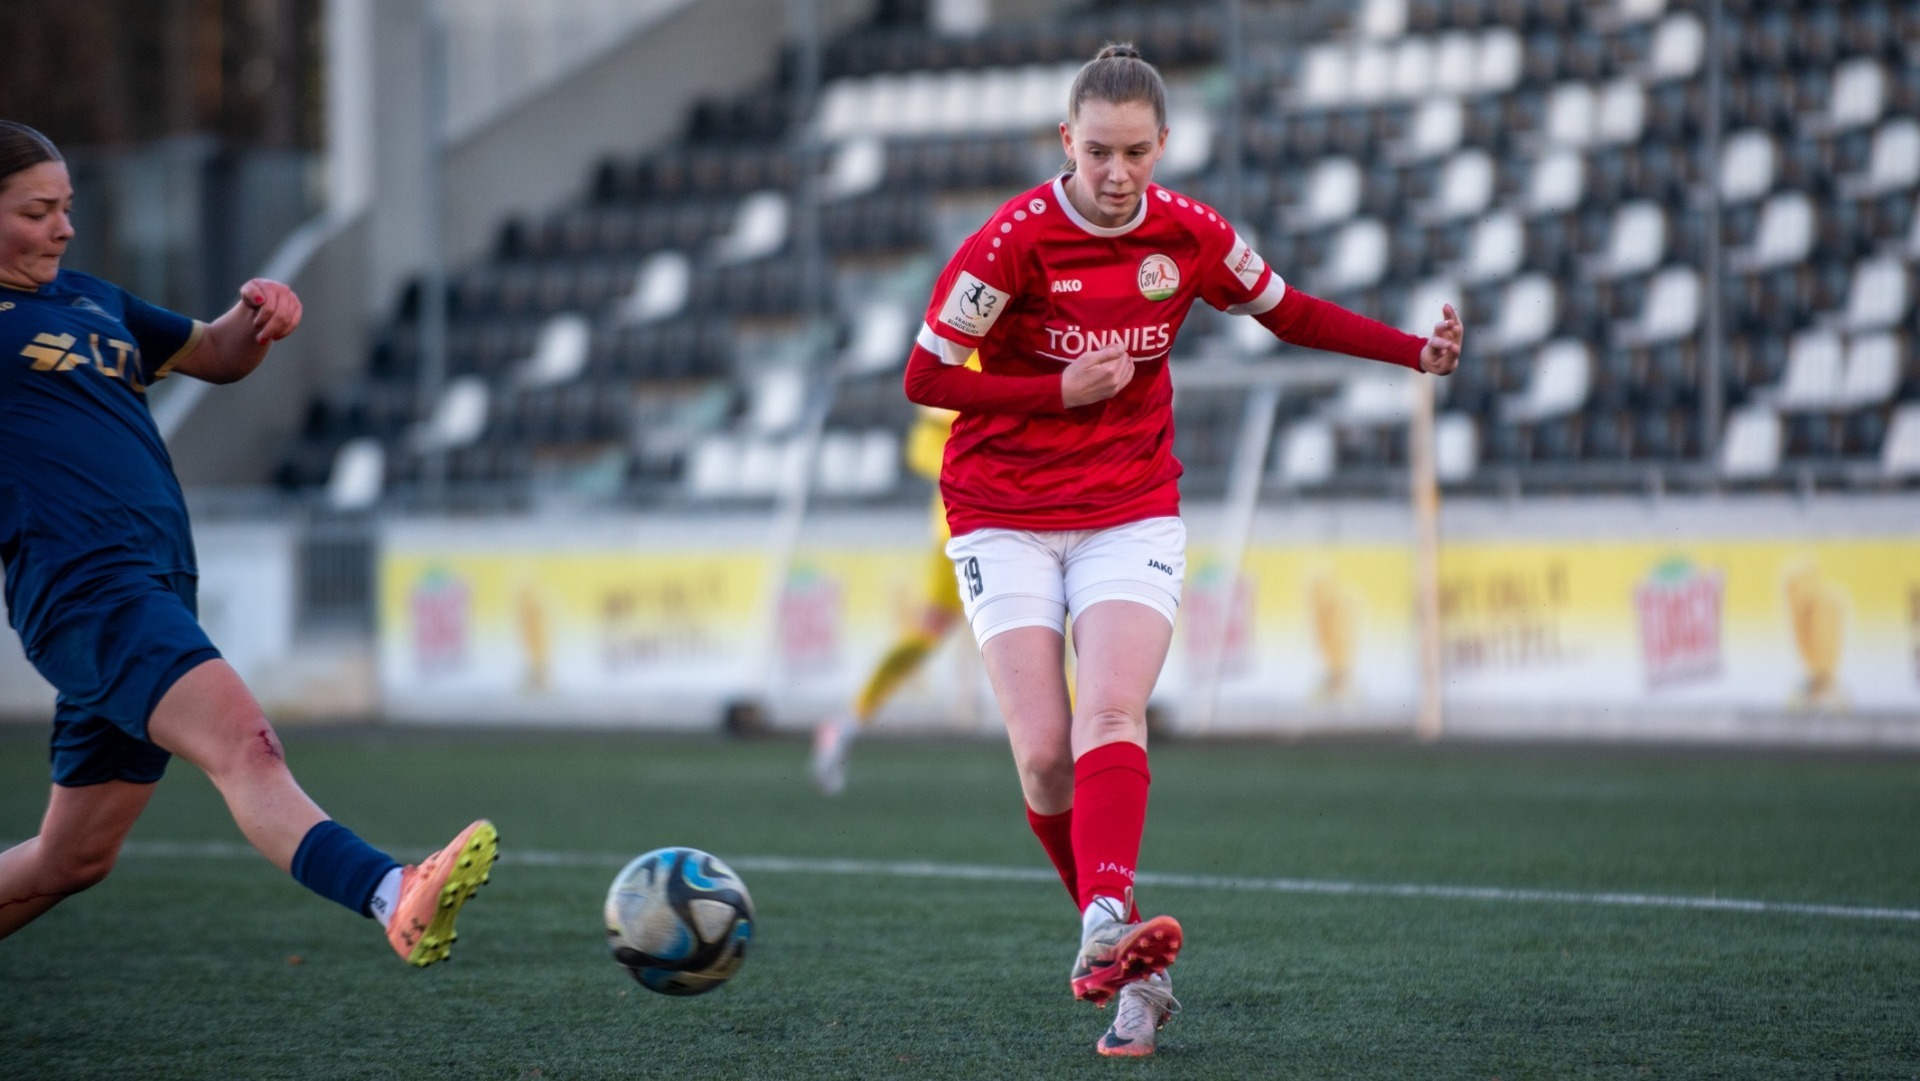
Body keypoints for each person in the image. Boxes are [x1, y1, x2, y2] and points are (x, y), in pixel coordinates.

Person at [901, 47, 1463, 1057]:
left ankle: (1106, 934)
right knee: (1041, 759)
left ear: (1162, 146)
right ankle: (1134, 973)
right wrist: (1052, 392)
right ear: (1065, 143)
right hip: (1002, 508)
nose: (1117, 174)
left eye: (1136, 154)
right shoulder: (1010, 243)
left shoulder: (1189, 234)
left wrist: (1408, 351)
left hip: (1129, 505)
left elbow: (1289, 312)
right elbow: (923, 378)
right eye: (1099, 152)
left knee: (1111, 711)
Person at [0, 121, 496, 966]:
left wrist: (257, 310)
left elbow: (218, 354)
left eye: (68, 207)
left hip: (151, 585)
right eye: (39, 210)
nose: (64, 227)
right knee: (246, 741)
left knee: (71, 858)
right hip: (84, 586)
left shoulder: (94, 299)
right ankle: (391, 892)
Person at [810, 403, 966, 796]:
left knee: (1054, 628)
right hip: (967, 524)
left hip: (1020, 519)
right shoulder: (965, 356)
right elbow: (922, 448)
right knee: (929, 633)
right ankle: (848, 721)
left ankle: (1083, 748)